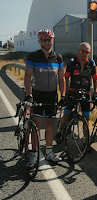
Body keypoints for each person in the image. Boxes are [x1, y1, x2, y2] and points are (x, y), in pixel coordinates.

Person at [24, 29, 65, 167]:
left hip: (51, 95)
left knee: (49, 124)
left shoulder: (58, 58)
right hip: (37, 94)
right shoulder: (33, 56)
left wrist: (63, 95)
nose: (46, 42)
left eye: (49, 39)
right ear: (39, 41)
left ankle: (48, 152)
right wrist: (29, 95)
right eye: (44, 40)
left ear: (52, 40)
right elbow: (27, 77)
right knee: (36, 124)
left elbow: (61, 79)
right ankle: (34, 154)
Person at [55, 42, 97, 143]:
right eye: (83, 51)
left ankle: (85, 141)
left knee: (86, 118)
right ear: (79, 51)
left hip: (86, 93)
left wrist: (95, 92)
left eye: (87, 52)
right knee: (66, 115)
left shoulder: (91, 63)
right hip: (72, 93)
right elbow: (66, 77)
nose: (84, 54)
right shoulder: (72, 62)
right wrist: (64, 93)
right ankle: (59, 131)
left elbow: (95, 78)